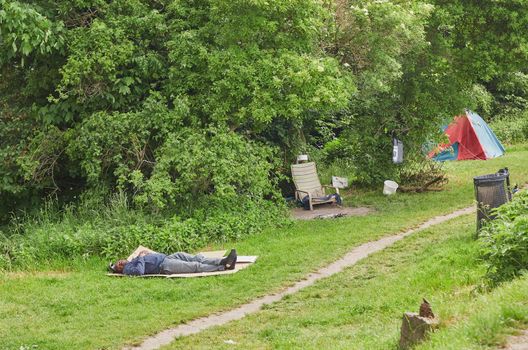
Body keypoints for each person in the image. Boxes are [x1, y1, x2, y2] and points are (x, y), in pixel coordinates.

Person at [109, 249, 237, 276]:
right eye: (117, 266)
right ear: (120, 270)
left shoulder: (132, 260)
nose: (119, 262)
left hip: (167, 257)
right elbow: (140, 271)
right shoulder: (128, 269)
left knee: (196, 258)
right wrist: (142, 257)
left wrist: (145, 254)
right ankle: (223, 267)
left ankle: (223, 260)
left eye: (118, 261)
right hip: (164, 266)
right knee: (195, 266)